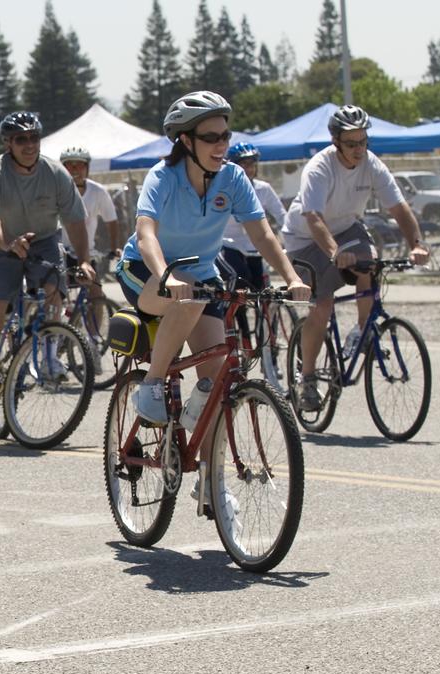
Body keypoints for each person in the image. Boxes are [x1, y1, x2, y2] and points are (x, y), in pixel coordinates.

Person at [114, 91, 309, 429]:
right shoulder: (163, 177)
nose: (221, 145)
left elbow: (262, 235)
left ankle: (210, 480)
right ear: (186, 141)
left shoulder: (233, 178)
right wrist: (166, 277)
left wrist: (292, 278)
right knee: (187, 295)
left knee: (217, 385)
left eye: (225, 136)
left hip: (201, 278)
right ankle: (151, 384)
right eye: (210, 138)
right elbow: (146, 234)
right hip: (145, 271)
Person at [282, 105, 428, 411]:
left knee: (370, 263)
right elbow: (313, 218)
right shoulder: (320, 167)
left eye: (363, 142)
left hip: (347, 228)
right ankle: (307, 377)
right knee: (322, 306)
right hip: (304, 240)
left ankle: (363, 332)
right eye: (351, 143)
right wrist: (336, 254)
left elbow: (399, 207)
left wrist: (417, 244)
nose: (359, 149)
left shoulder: (371, 164)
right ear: (336, 141)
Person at [0, 111, 94, 404]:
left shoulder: (55, 173)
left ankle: (51, 356)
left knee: (55, 290)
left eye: (34, 137)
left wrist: (85, 260)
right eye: (21, 139)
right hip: (0, 243)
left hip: (43, 240)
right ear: (8, 144)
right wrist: (7, 243)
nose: (29, 144)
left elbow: (75, 221)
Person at [59, 145, 123, 342]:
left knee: (96, 293)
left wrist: (114, 248)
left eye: (80, 166)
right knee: (54, 293)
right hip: (60, 251)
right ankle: (54, 334)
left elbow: (111, 221)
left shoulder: (97, 191)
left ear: (87, 168)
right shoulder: (57, 190)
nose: (75, 170)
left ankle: (94, 336)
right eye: (69, 166)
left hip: (86, 253)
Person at [220, 142, 286, 291]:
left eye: (252, 164)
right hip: (229, 245)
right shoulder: (223, 189)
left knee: (261, 287)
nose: (248, 169)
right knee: (240, 279)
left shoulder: (263, 189)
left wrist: (290, 238)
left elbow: (281, 215)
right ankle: (232, 314)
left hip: (254, 246)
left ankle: (263, 313)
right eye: (243, 164)